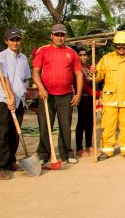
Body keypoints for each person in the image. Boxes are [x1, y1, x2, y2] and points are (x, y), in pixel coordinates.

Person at [90, 31, 125, 160]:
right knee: (108, 126)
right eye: (118, 46)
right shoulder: (106, 58)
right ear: (114, 45)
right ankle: (107, 150)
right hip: (110, 99)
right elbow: (98, 77)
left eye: (124, 46)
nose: (121, 49)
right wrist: (94, 72)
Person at [33, 24, 83, 165]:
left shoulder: (71, 53)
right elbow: (35, 72)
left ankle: (66, 153)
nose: (60, 38)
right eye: (57, 35)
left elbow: (78, 74)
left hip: (66, 95)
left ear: (65, 36)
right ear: (52, 35)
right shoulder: (43, 51)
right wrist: (41, 88)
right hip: (46, 95)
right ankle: (43, 154)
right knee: (44, 125)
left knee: (65, 126)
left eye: (62, 35)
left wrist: (78, 94)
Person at [0, 29, 31, 180]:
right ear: (6, 41)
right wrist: (10, 97)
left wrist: (23, 93)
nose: (15, 42)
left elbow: (26, 78)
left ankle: (10, 161)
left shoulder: (23, 58)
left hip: (19, 100)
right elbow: (4, 79)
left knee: (15, 133)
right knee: (2, 133)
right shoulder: (0, 57)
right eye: (12, 39)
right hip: (4, 100)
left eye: (17, 39)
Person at [75, 47, 100, 157]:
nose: (83, 57)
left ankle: (89, 145)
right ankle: (79, 147)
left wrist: (97, 92)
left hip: (91, 98)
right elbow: (83, 86)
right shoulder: (76, 69)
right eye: (80, 55)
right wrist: (96, 93)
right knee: (82, 123)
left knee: (90, 122)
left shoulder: (89, 67)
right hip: (83, 98)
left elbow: (97, 80)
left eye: (84, 55)